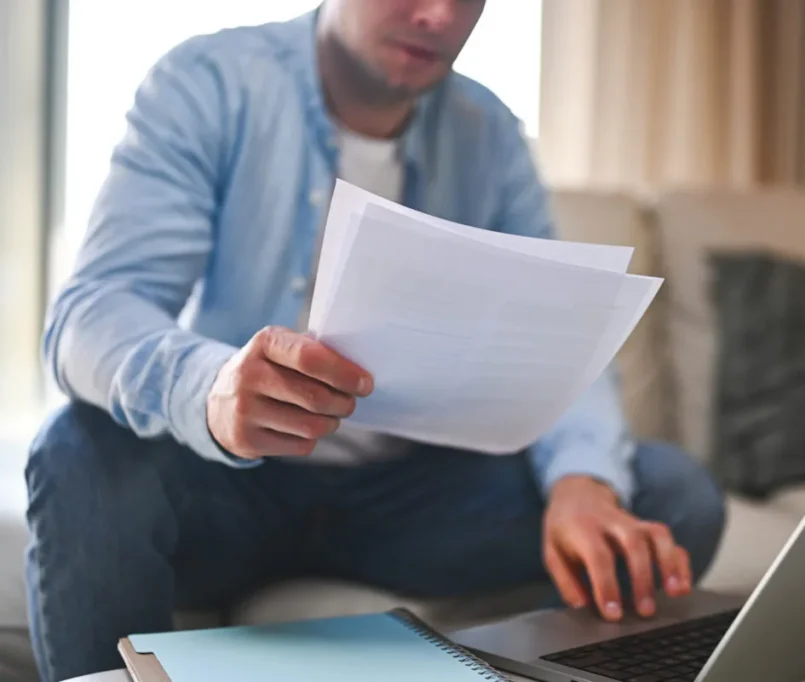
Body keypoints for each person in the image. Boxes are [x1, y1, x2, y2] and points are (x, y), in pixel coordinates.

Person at [24, 1, 726, 680]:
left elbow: (559, 334)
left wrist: (582, 480)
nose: (440, 17)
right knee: (78, 450)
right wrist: (211, 388)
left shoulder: (490, 132)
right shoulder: (208, 81)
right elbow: (91, 312)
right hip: (228, 489)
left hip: (408, 500)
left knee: (669, 494)